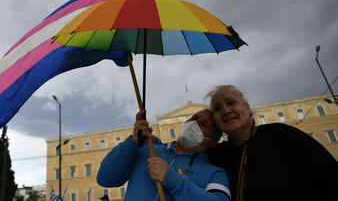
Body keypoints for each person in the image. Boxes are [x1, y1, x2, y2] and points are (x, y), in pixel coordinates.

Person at [206, 85, 338, 201]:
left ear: (248, 109)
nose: (226, 111)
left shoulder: (282, 135)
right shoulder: (218, 155)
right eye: (217, 109)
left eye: (231, 103)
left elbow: (330, 176)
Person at [97, 109, 231, 201]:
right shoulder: (147, 150)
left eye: (203, 124)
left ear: (213, 142)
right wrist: (132, 143)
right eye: (193, 118)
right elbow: (105, 178)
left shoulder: (215, 173)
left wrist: (171, 178)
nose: (193, 123)